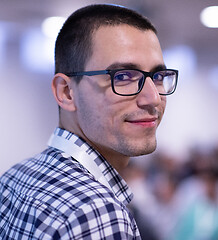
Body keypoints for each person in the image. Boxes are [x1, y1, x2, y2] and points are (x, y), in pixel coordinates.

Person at [0, 4, 178, 239]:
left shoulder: (15, 177)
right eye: (123, 76)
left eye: (157, 77)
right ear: (66, 92)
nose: (153, 98)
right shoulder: (96, 212)